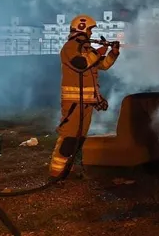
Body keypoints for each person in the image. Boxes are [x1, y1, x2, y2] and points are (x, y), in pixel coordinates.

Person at [49, 14, 120, 180]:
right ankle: (56, 173)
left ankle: (69, 168)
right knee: (69, 138)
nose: (91, 34)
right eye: (90, 29)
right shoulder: (70, 47)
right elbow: (80, 64)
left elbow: (102, 65)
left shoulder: (86, 49)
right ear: (82, 28)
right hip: (74, 102)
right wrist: (99, 51)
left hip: (87, 102)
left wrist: (112, 53)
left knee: (79, 138)